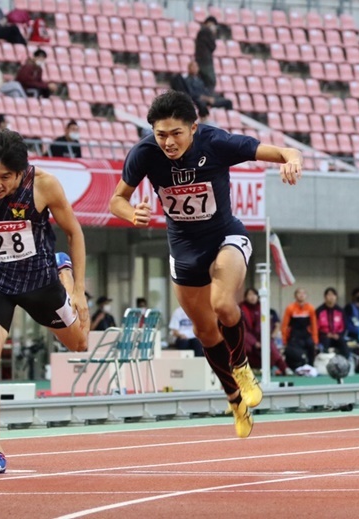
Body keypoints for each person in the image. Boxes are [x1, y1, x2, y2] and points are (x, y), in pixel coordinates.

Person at [109, 90, 302, 438]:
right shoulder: (144, 154)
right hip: (184, 250)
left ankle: (242, 366)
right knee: (204, 331)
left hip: (226, 236)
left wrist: (292, 158)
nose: (168, 142)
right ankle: (234, 399)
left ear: (194, 128)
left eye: (176, 134)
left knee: (222, 303)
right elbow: (116, 200)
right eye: (160, 134)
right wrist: (131, 212)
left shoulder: (216, 142)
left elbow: (283, 150)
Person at [0, 129, 90, 474]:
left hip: (41, 282)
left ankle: (63, 269)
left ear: (21, 172)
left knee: (79, 343)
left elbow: (75, 231)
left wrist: (79, 289)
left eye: (5, 177)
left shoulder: (44, 185)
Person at [239, 288, 292, 375]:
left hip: (262, 338)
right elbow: (242, 329)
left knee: (271, 347)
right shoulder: (240, 309)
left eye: (254, 295)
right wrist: (254, 342)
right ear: (245, 297)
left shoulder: (263, 308)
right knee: (244, 347)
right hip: (248, 340)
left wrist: (265, 340)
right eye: (250, 295)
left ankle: (285, 368)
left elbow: (268, 325)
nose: (252, 297)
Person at [281, 287, 319, 370]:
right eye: (299, 293)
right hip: (294, 335)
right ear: (295, 296)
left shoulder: (310, 308)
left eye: (303, 293)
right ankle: (293, 367)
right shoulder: (290, 308)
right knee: (293, 350)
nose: (301, 295)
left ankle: (311, 367)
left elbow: (314, 325)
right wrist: (284, 340)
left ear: (306, 296)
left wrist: (315, 340)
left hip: (306, 334)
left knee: (311, 345)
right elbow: (284, 325)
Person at [316, 287, 349, 359]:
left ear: (336, 297)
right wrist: (326, 334)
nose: (331, 297)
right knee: (325, 343)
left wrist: (338, 335)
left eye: (333, 295)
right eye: (329, 295)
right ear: (325, 297)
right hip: (324, 336)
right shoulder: (319, 311)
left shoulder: (340, 310)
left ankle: (346, 362)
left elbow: (344, 326)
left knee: (343, 343)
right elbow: (316, 327)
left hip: (337, 336)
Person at [195, 16, 218, 91]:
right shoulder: (206, 32)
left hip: (200, 60)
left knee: (202, 81)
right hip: (205, 61)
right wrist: (213, 34)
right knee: (210, 81)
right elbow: (213, 46)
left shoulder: (201, 32)